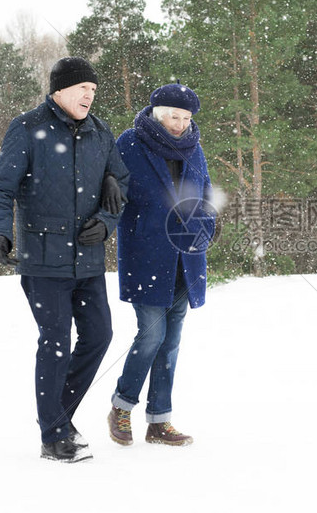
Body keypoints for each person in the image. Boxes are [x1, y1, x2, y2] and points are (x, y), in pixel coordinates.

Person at [0, 57, 130, 463]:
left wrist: (106, 222)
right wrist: (0, 232)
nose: (89, 95)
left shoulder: (101, 133)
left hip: (88, 259)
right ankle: (53, 435)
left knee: (99, 336)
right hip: (43, 259)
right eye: (82, 87)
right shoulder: (28, 128)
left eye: (94, 90)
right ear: (58, 90)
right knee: (55, 342)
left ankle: (57, 417)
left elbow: (122, 183)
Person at [107, 82, 216, 447]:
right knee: (151, 334)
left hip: (187, 258)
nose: (180, 123)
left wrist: (206, 228)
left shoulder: (194, 148)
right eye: (173, 115)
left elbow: (206, 194)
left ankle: (159, 421)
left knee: (171, 341)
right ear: (156, 112)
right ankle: (122, 407)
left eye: (186, 117)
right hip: (147, 254)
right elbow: (113, 195)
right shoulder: (129, 143)